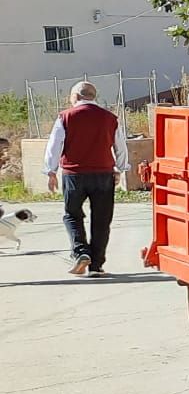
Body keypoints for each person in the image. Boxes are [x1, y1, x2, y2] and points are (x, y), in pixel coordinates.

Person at [43, 80, 128, 277]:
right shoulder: (110, 118)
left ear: (76, 96)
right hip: (103, 174)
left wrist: (50, 171)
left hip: (74, 175)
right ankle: (96, 265)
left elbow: (54, 145)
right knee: (102, 220)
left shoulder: (65, 116)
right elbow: (120, 146)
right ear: (93, 96)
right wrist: (120, 169)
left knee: (72, 215)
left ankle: (81, 252)